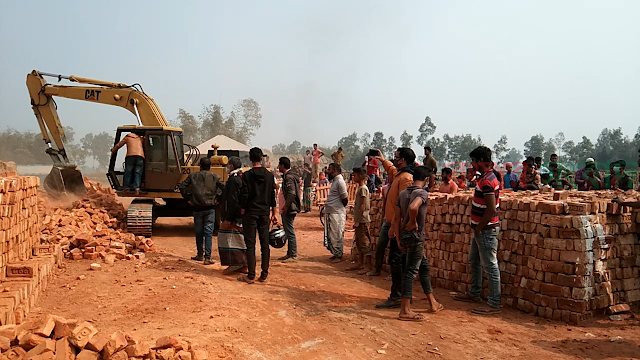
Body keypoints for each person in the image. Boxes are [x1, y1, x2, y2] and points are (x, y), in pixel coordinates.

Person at [455, 146, 502, 315]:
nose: (472, 164)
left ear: (481, 162)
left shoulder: (488, 181)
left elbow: (490, 209)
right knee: (473, 261)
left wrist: (479, 228)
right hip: (480, 229)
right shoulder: (483, 178)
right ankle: (475, 293)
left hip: (485, 230)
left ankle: (494, 303)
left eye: (474, 161)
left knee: (490, 265)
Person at [395, 166, 443, 321]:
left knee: (424, 266)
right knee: (410, 271)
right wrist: (413, 221)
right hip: (416, 236)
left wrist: (397, 237)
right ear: (427, 179)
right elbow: (413, 207)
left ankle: (432, 302)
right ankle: (405, 310)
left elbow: (396, 218)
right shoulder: (422, 193)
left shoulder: (402, 193)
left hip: (404, 236)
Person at [371, 148, 416, 310]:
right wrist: (382, 160)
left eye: (396, 157)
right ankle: (404, 295)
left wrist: (395, 227)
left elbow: (403, 206)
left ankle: (398, 296)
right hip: (393, 223)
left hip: (398, 225)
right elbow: (391, 169)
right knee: (399, 261)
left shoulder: (406, 179)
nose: (394, 159)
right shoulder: (399, 175)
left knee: (397, 260)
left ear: (403, 160)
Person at [238, 148, 278, 284]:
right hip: (264, 213)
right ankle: (264, 274)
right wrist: (274, 212)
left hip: (250, 212)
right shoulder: (269, 176)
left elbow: (244, 195)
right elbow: (272, 196)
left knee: (250, 244)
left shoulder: (247, 175)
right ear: (262, 159)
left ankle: (251, 275)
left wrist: (242, 210)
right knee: (264, 244)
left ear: (250, 159)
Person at [179, 157, 223, 265]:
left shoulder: (193, 176)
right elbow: (225, 188)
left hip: (197, 208)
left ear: (200, 166)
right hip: (210, 208)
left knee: (199, 232)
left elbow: (182, 186)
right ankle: (207, 258)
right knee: (208, 233)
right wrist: (218, 199)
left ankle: (199, 254)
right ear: (210, 167)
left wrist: (189, 199)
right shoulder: (215, 177)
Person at [218, 156, 247, 274]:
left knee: (229, 239)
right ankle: (242, 264)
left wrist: (229, 218)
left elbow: (233, 201)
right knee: (239, 240)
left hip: (234, 217)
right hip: (238, 216)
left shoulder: (234, 180)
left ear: (231, 166)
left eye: (228, 165)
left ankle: (235, 263)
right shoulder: (239, 178)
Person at [346, 167, 372, 272]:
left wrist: (357, 221)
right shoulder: (360, 188)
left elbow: (362, 206)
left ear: (360, 176)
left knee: (365, 243)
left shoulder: (363, 189)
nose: (353, 177)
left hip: (363, 220)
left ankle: (367, 266)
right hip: (360, 220)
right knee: (359, 242)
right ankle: (360, 263)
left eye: (354, 175)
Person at [323, 163, 349, 262]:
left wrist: (339, 207)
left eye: (329, 170)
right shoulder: (335, 181)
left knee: (337, 234)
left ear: (334, 171)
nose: (327, 171)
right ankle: (335, 252)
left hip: (337, 212)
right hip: (332, 211)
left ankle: (338, 254)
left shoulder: (340, 182)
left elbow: (345, 198)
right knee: (332, 234)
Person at [277, 157, 301, 262]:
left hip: (289, 208)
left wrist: (286, 206)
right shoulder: (290, 176)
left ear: (282, 165)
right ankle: (289, 253)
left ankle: (293, 255)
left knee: (290, 231)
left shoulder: (289, 177)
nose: (278, 167)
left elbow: (291, 193)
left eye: (279, 165)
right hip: (289, 207)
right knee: (287, 230)